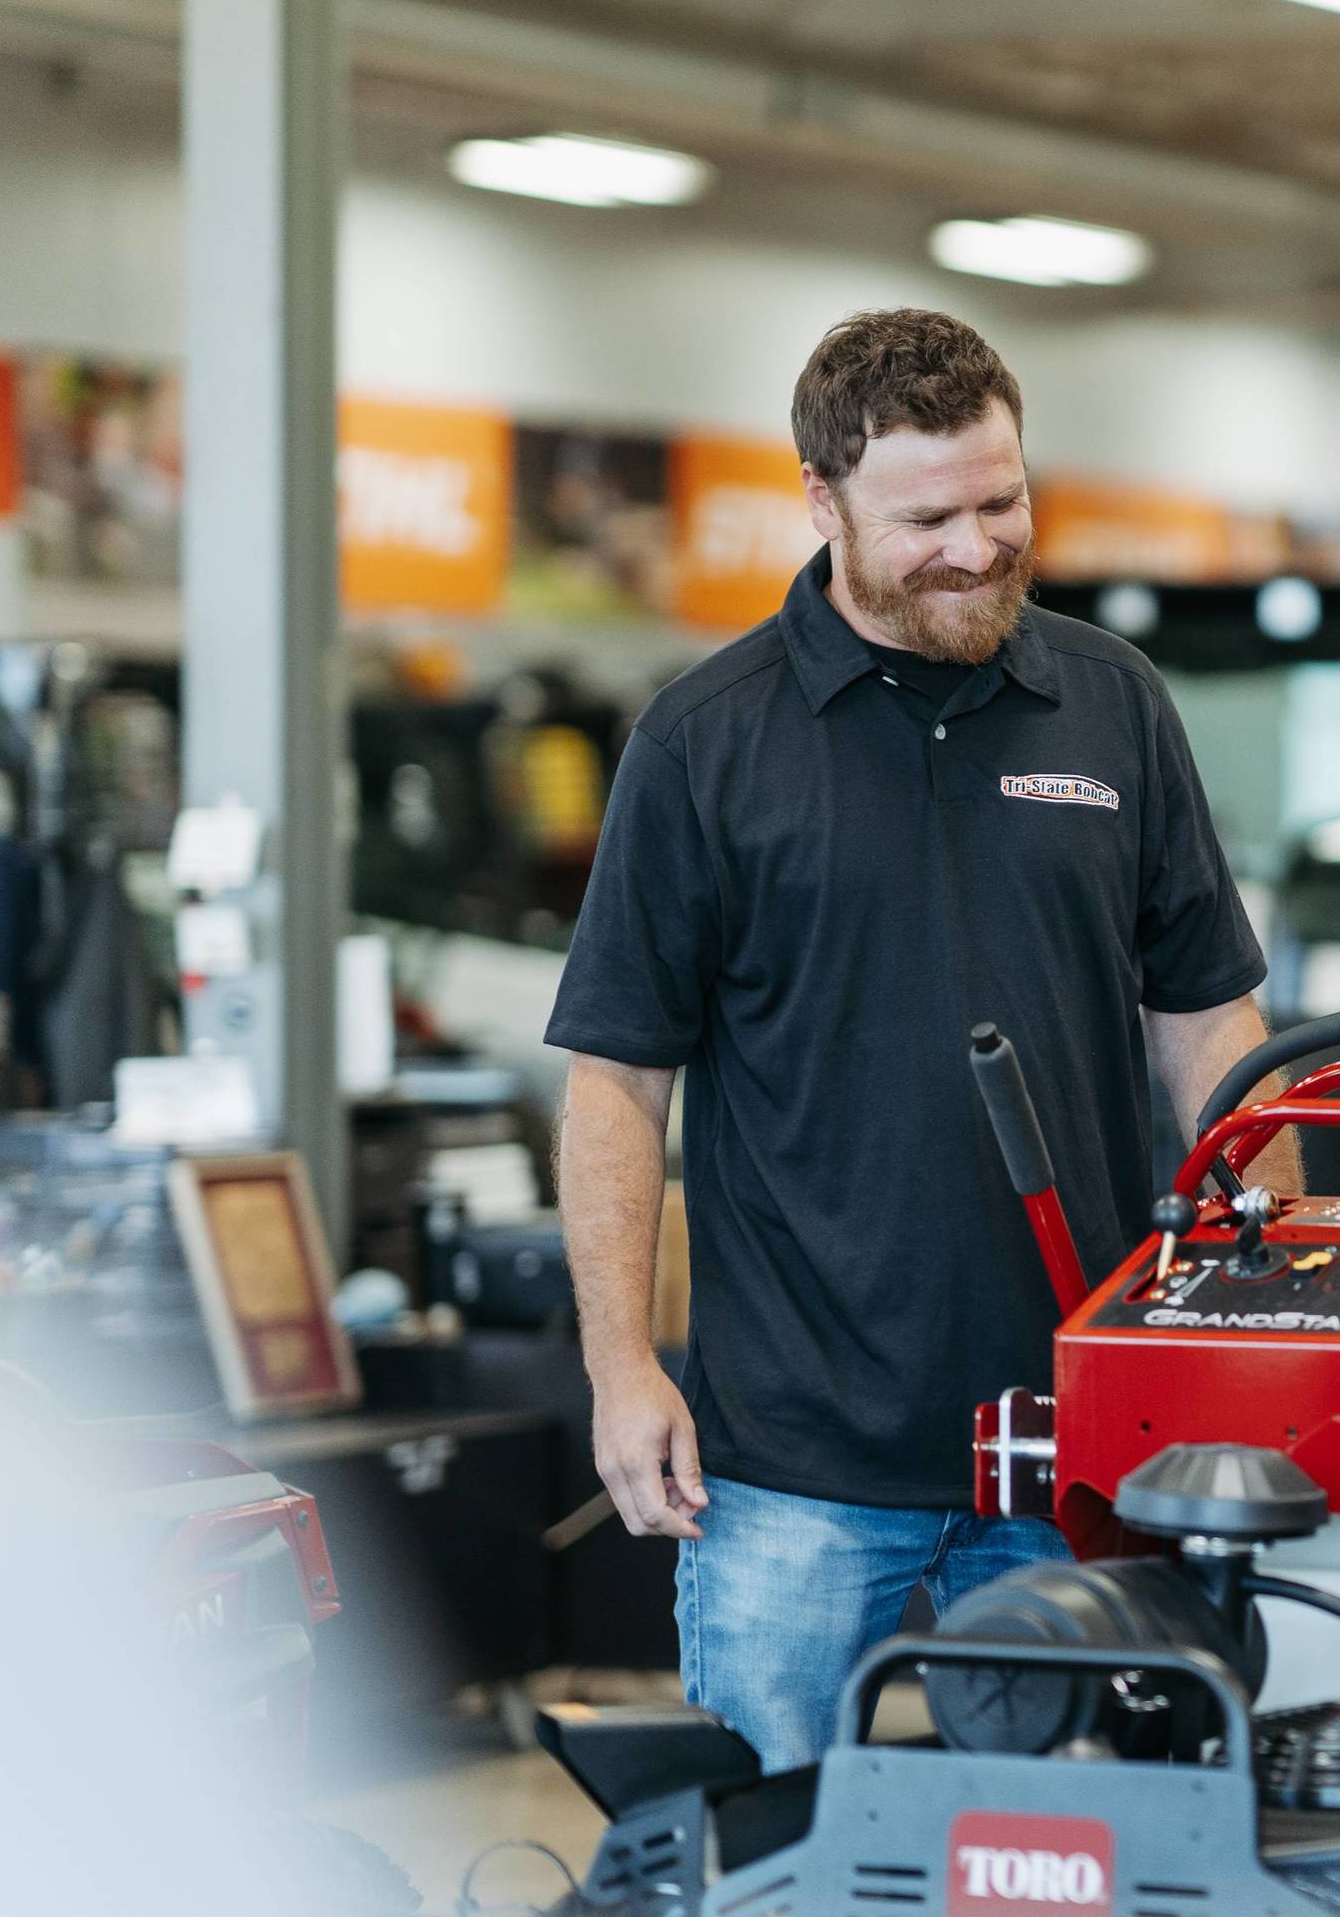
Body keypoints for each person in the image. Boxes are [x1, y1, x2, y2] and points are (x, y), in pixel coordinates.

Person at [547, 308, 1296, 1771]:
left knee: (1079, 1848)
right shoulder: (705, 743)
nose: (977, 547)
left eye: (1001, 502)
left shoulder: (1114, 706)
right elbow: (620, 1080)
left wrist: (1260, 1293)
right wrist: (621, 1366)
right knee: (778, 1835)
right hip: (795, 1464)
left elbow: (1209, 1020)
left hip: (1078, 1437)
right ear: (821, 503)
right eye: (927, 520)